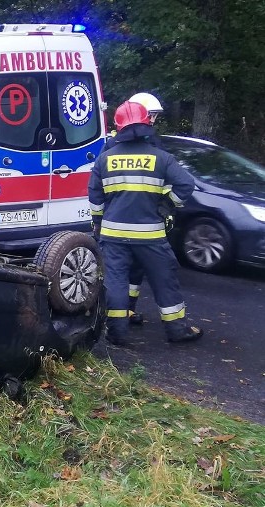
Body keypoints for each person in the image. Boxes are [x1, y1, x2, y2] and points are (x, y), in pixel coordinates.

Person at [88, 101, 203, 345]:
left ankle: (117, 332)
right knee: (164, 280)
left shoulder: (104, 159)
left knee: (116, 281)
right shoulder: (161, 157)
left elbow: (95, 196)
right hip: (150, 235)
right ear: (146, 124)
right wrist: (165, 205)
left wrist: (98, 223)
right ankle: (177, 330)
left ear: (118, 127)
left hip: (113, 234)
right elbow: (186, 185)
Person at [100, 92, 167, 326]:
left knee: (124, 272)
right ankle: (126, 311)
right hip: (145, 221)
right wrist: (167, 207)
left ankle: (125, 314)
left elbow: (99, 184)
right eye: (152, 115)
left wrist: (98, 220)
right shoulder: (149, 143)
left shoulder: (111, 144)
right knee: (131, 271)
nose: (154, 120)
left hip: (116, 222)